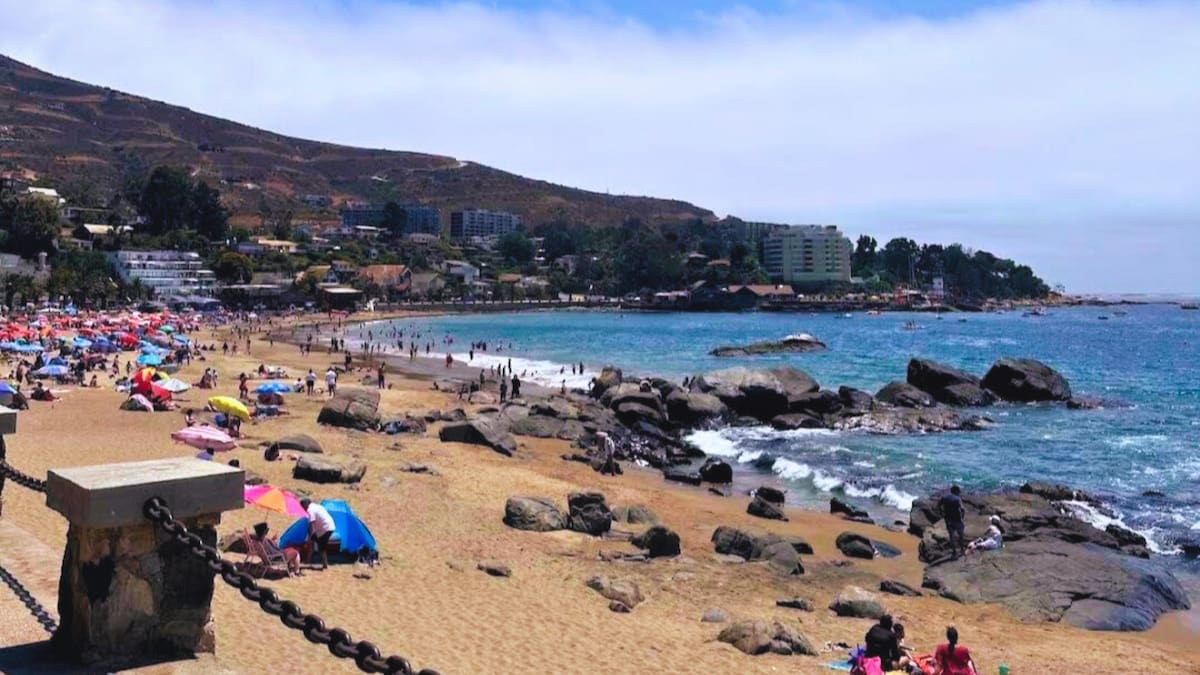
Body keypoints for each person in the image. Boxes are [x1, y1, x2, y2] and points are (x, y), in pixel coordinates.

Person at [300, 498, 336, 570]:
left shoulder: (310, 510)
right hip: (330, 526)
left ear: (305, 505)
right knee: (315, 540)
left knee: (321, 547)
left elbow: (311, 524)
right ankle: (309, 558)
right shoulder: (317, 506)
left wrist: (309, 538)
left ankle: (325, 565)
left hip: (325, 528)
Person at [939, 485, 967, 559]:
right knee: (961, 536)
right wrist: (962, 517)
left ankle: (954, 552)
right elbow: (962, 509)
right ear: (956, 491)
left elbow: (939, 505)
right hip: (957, 520)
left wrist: (942, 513)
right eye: (959, 491)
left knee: (952, 536)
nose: (959, 493)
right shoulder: (958, 499)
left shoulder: (944, 498)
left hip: (948, 520)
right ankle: (962, 550)